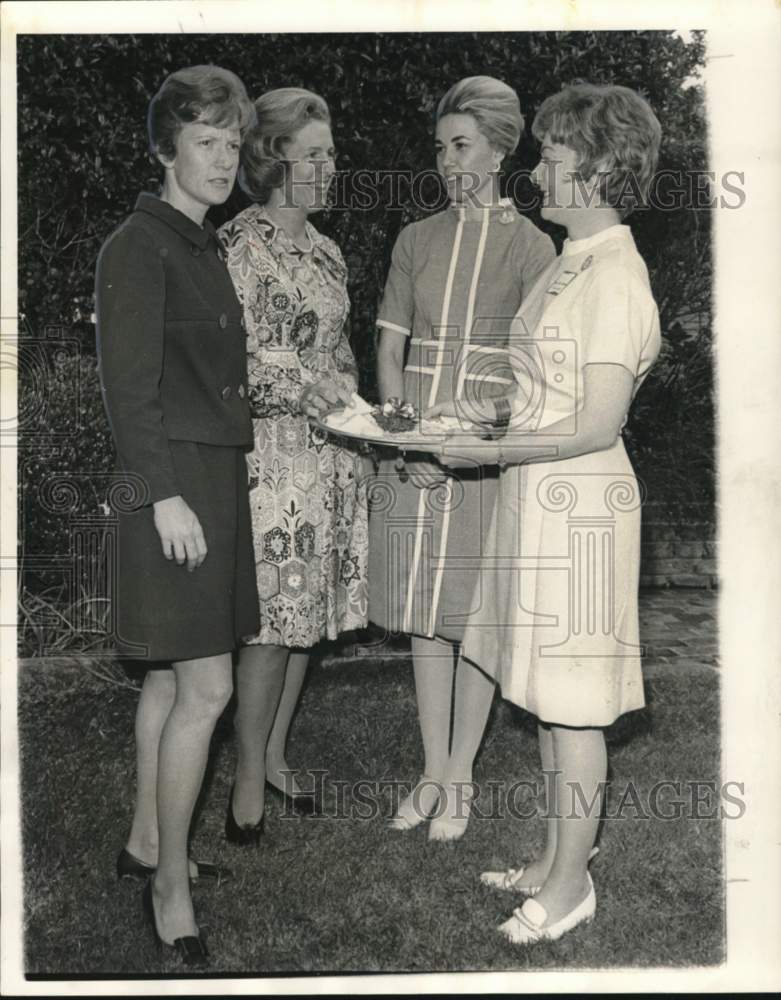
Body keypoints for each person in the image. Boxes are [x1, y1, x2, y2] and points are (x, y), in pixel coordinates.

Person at [431, 83, 662, 942]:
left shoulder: (617, 276)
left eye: (552, 160)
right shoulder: (574, 261)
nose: (535, 174)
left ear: (598, 170)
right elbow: (545, 395)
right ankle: (551, 858)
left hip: (583, 514)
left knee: (573, 707)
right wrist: (485, 419)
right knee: (540, 693)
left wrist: (485, 453)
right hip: (539, 499)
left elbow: (596, 423)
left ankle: (569, 888)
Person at [95, 65, 257, 966]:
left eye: (232, 142)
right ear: (166, 149)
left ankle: (146, 844)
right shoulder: (138, 245)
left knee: (166, 678)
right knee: (208, 689)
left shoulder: (200, 244)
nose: (223, 157)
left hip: (206, 480)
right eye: (205, 140)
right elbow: (129, 391)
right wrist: (162, 497)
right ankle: (171, 889)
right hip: (169, 487)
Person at [369, 76, 555, 841]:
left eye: (462, 146)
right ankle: (429, 769)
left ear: (501, 149)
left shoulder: (533, 245)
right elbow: (388, 348)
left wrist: (469, 439)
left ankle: (461, 777)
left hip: (481, 455)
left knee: (470, 616)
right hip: (415, 450)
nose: (447, 161)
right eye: (441, 147)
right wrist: (407, 437)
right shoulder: (416, 239)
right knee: (423, 614)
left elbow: (534, 371)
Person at [218, 88, 369, 840]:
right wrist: (306, 389)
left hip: (328, 460)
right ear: (273, 158)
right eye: (315, 154)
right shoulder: (237, 246)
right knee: (271, 630)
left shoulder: (327, 248)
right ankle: (245, 786)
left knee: (304, 622)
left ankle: (274, 756)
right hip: (269, 465)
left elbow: (338, 349)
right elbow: (230, 365)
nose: (330, 165)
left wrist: (353, 404)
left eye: (332, 152)